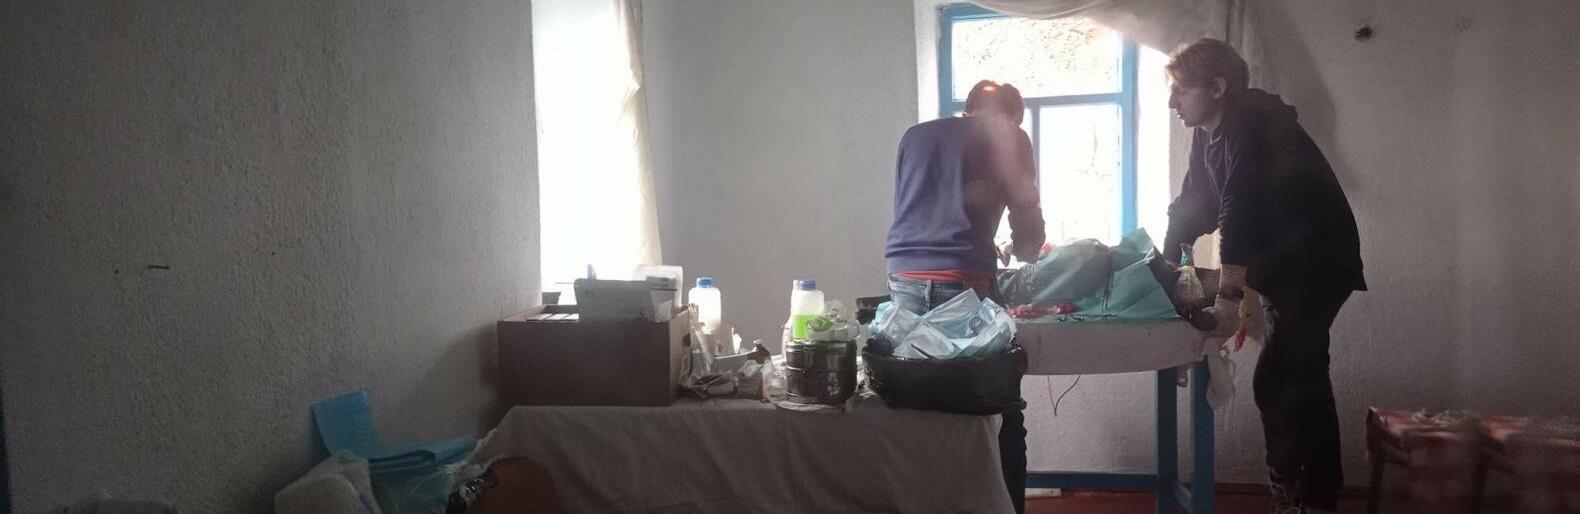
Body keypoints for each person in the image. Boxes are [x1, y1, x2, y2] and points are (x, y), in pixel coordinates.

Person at [1161, 38, 1366, 514]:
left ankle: (1297, 491)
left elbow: (1238, 213)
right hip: (1282, 270)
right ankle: (1312, 493)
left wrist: (1228, 299)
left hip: (1316, 265)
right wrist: (1164, 263)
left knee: (1280, 379)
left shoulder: (1253, 123)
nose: (1172, 102)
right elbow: (1194, 204)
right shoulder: (1209, 133)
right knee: (1301, 376)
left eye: (1181, 90)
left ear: (1217, 87)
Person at [884, 79, 1045, 514]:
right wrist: (1026, 249)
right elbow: (1027, 228)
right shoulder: (1011, 137)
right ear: (1012, 116)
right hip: (964, 283)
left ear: (968, 108)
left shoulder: (914, 136)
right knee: (1001, 410)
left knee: (918, 408)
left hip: (903, 278)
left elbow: (916, 213)